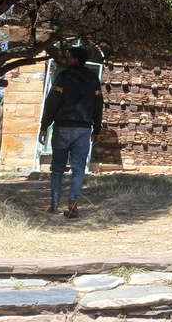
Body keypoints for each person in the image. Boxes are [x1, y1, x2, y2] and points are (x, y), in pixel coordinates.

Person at [39, 47, 103, 218]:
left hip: (61, 128)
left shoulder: (63, 77)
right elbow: (98, 104)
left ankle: (54, 205)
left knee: (58, 169)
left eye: (68, 57)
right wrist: (97, 129)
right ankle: (73, 203)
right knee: (79, 169)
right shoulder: (93, 78)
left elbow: (52, 101)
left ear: (75, 60)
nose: (66, 60)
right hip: (83, 130)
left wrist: (44, 126)